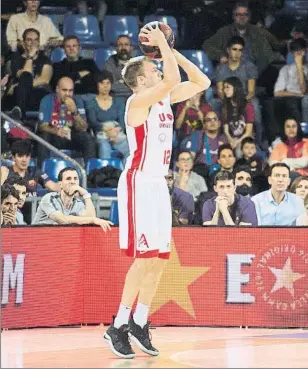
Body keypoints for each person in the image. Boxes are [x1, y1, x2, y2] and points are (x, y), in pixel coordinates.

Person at [105, 24, 211, 359]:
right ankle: (117, 325)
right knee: (143, 259)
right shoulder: (138, 101)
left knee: (160, 260)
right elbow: (170, 81)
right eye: (154, 67)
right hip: (138, 183)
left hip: (158, 184)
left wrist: (173, 50)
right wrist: (163, 44)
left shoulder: (163, 96)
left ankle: (139, 320)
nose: (160, 67)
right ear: (141, 79)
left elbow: (201, 82)